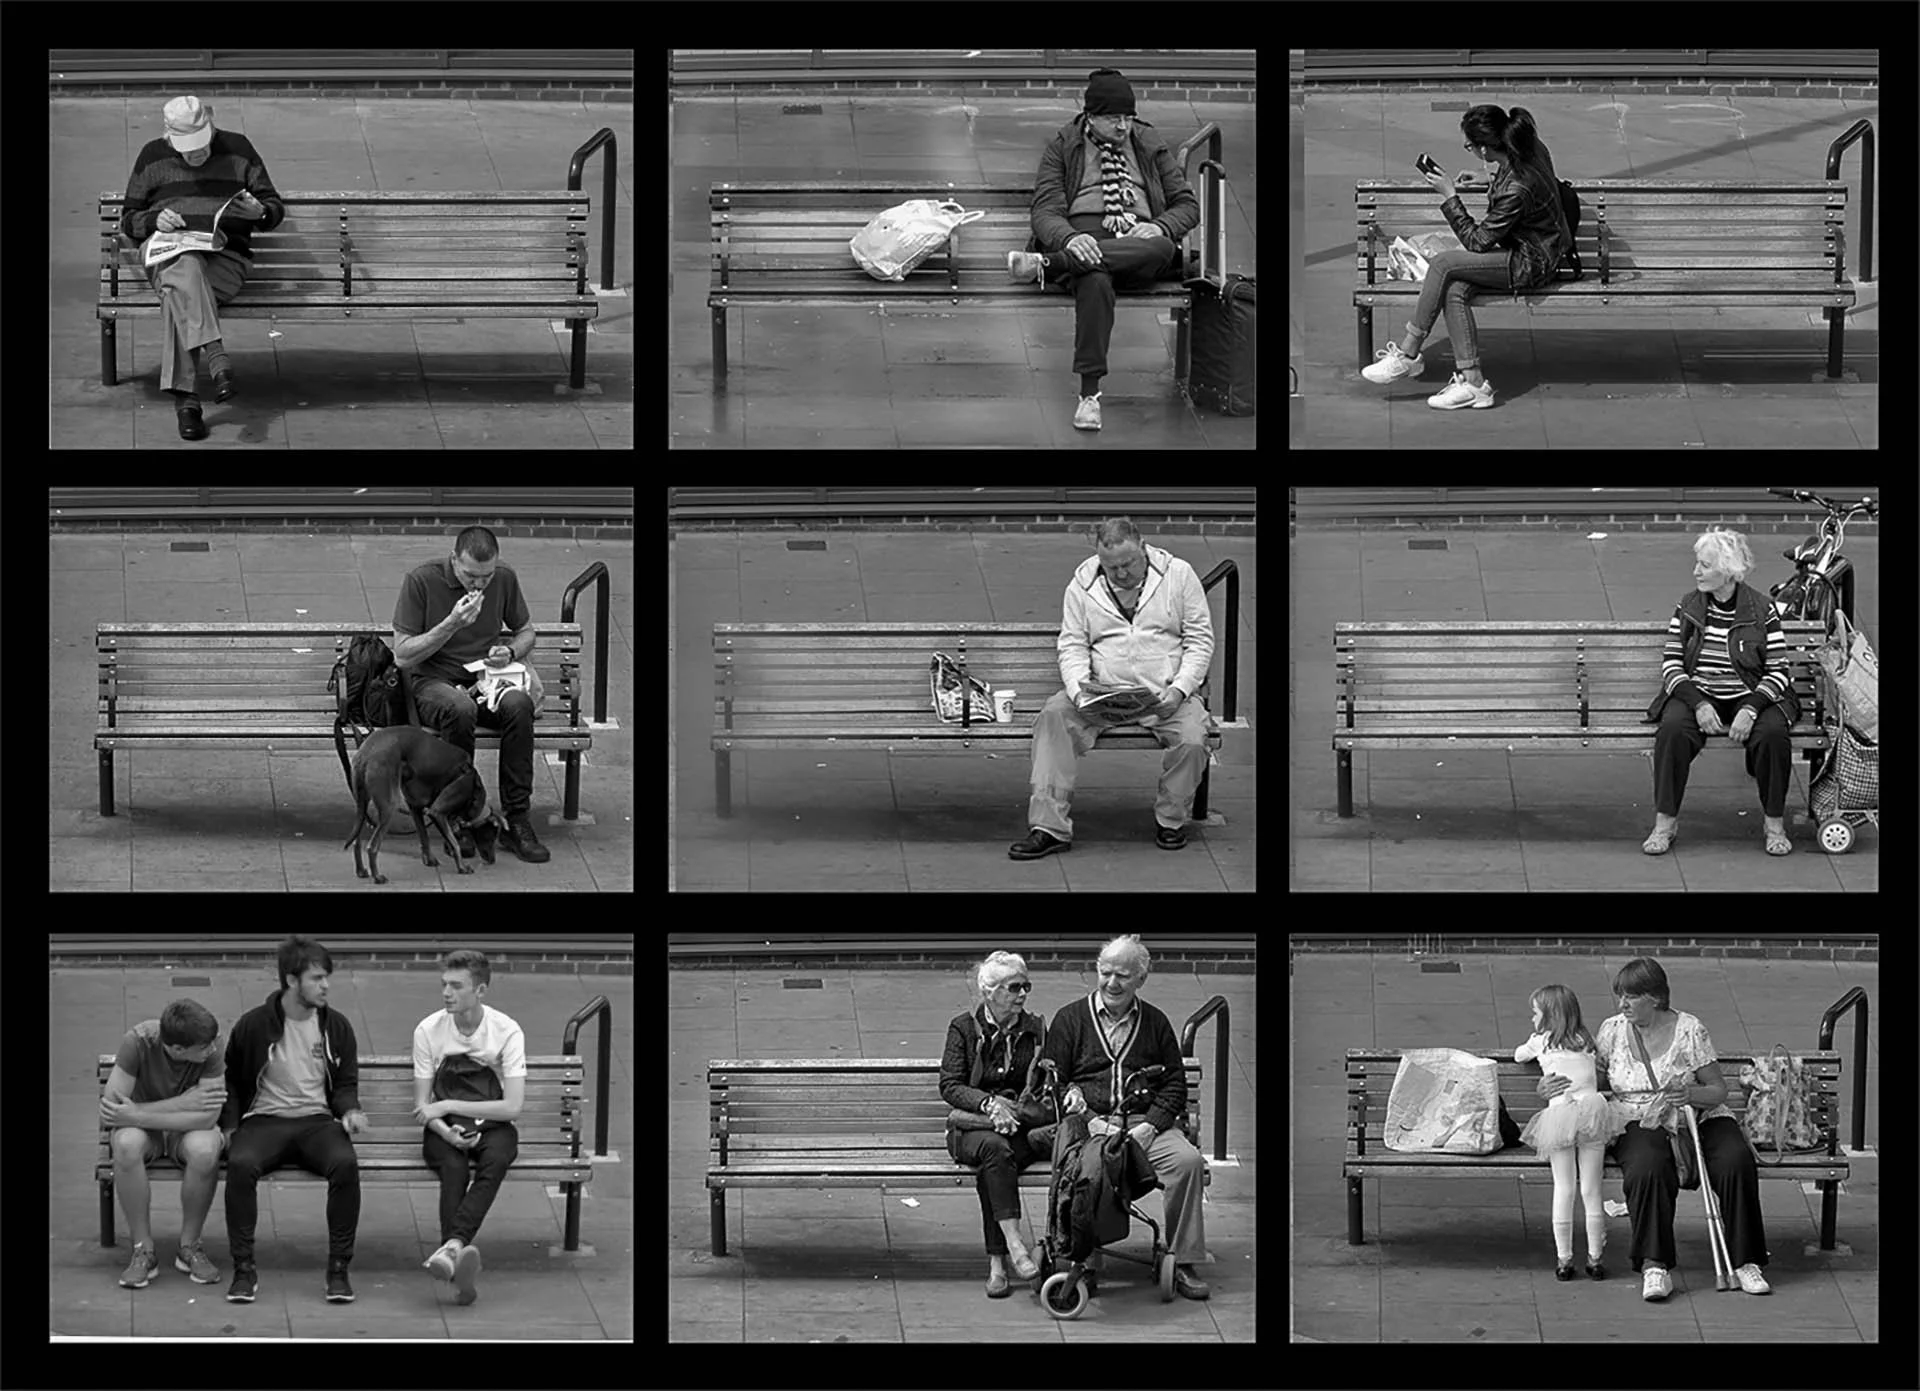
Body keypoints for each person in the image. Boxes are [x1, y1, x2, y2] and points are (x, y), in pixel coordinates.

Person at [1537, 958, 1771, 1301]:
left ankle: (1746, 1261)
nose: (1622, 1004)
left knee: (1736, 1161)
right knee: (1646, 1168)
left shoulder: (1690, 1029)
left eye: (1631, 997)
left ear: (1655, 998)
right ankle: (1654, 1265)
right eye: (1620, 996)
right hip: (1637, 1117)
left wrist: (1691, 1094)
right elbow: (1592, 1081)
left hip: (1697, 1116)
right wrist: (1552, 1088)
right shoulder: (1612, 1030)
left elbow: (1718, 1090)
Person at [1010, 517, 1215, 858]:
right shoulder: (1083, 583)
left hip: (1163, 694)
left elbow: (1200, 640)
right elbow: (1073, 645)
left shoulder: (1179, 575)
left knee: (1194, 738)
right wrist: (1079, 693)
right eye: (1111, 567)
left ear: (1143, 548)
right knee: (1053, 718)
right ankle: (1049, 827)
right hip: (1102, 693)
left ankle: (1171, 819)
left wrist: (1180, 689)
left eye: (1127, 564)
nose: (1120, 574)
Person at [1011, 68, 1202, 431]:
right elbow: (1046, 210)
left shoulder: (1146, 141)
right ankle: (1089, 396)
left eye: (1128, 117)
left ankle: (1050, 265)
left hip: (1140, 241)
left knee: (1161, 247)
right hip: (1083, 235)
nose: (1123, 127)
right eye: (1113, 118)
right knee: (1095, 278)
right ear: (1090, 116)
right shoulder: (1065, 145)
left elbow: (1186, 205)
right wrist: (1069, 239)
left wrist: (1160, 225)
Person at [1360, 104, 1573, 409]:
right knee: (1454, 289)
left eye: (1470, 146)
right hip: (1534, 246)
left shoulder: (1516, 187)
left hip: (1531, 261)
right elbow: (1526, 184)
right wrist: (1486, 180)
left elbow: (1478, 241)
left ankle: (1408, 354)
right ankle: (1474, 383)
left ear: (1486, 148)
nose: (1470, 151)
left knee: (1443, 263)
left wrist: (1449, 195)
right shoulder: (1531, 147)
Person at [1043, 936, 1210, 1298]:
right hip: (1089, 1125)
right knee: (1088, 1172)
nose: (1111, 983)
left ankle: (1183, 1260)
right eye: (1105, 973)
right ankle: (1083, 1262)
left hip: (1141, 1126)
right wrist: (1081, 1109)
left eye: (1122, 975)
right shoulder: (1070, 1019)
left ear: (1140, 979)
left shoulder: (1155, 1022)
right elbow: (1053, 1080)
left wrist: (1151, 1126)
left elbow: (1174, 1086)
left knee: (1188, 1162)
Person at [118, 95, 285, 439]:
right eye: (187, 147)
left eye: (202, 143)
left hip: (225, 260)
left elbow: (273, 207)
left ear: (210, 124)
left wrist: (261, 213)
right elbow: (129, 220)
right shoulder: (152, 156)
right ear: (168, 137)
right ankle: (216, 358)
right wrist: (153, 220)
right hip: (167, 252)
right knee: (184, 264)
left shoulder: (239, 149)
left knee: (179, 288)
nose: (197, 153)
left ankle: (187, 400)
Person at [219, 936, 366, 1303]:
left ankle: (338, 1270)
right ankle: (243, 1269)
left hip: (316, 1122)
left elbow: (345, 1082)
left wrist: (348, 1110)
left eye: (326, 977)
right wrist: (231, 1127)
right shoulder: (253, 1025)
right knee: (240, 1164)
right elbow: (233, 1079)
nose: (325, 985)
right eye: (316, 978)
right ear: (290, 980)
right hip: (265, 1120)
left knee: (346, 1165)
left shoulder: (337, 1027)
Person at [392, 525, 550, 865]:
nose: (479, 584)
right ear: (454, 560)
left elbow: (526, 632)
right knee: (460, 709)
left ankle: (517, 818)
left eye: (486, 576)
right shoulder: (421, 581)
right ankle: (460, 813)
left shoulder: (504, 578)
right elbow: (402, 655)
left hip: (487, 679)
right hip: (433, 681)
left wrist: (509, 652)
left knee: (519, 705)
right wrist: (451, 623)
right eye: (471, 576)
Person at [1640, 528, 1799, 856]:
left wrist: (1752, 708)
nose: (1696, 571)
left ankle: (1774, 825)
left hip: (1751, 693)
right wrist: (1697, 704)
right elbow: (1671, 665)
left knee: (1772, 734)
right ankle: (1665, 823)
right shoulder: (1687, 607)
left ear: (1728, 571)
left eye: (1705, 565)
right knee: (1671, 730)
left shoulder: (1762, 609)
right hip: (1700, 693)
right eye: (1697, 563)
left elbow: (1779, 670)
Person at [413, 949, 527, 1306]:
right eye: (444, 984)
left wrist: (447, 1104)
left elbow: (512, 1107)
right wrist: (445, 1129)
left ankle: (451, 1248)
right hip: (443, 1130)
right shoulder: (428, 1030)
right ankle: (455, 1251)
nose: (447, 993)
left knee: (495, 1161)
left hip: (494, 1126)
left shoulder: (506, 1031)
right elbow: (422, 1106)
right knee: (453, 1166)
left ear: (480, 991)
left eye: (457, 986)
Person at [939, 951, 1051, 1298]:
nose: (1022, 995)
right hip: (970, 1132)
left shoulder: (1035, 1030)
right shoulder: (963, 1028)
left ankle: (999, 1263)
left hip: (1017, 1130)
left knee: (996, 1159)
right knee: (992, 1148)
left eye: (1025, 986)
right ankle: (1015, 1246)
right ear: (989, 992)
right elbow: (950, 1085)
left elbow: (1047, 1083)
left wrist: (1018, 1107)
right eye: (1014, 987)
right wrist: (988, 1104)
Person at [103, 1001, 228, 1289]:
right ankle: (142, 1249)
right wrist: (182, 1104)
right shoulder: (138, 1042)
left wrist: (138, 1113)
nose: (212, 1050)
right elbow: (112, 1110)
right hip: (148, 1130)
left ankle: (190, 1246)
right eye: (204, 1048)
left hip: (183, 1127)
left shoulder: (213, 1043)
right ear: (178, 1050)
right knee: (125, 1143)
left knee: (205, 1148)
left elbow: (208, 1115)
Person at [1513, 986, 1624, 1280]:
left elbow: (1518, 1056)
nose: (1532, 1017)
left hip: (1560, 1114)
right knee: (1592, 1190)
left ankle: (1564, 1260)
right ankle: (1595, 1259)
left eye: (1535, 1012)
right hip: (1592, 1113)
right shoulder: (1587, 1042)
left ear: (1549, 1015)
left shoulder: (1541, 1041)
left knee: (1564, 1188)